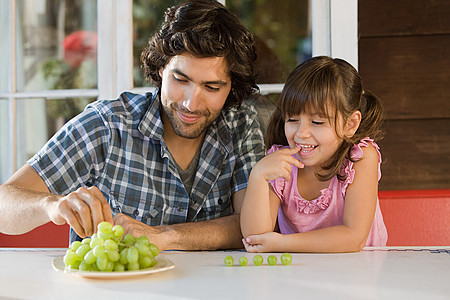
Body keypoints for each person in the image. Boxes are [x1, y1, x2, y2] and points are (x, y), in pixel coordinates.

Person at [0, 0, 265, 251]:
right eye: (180, 80)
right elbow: (4, 204)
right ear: (162, 68)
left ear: (231, 87)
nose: (190, 103)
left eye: (211, 87)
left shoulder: (241, 126)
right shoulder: (107, 125)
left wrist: (164, 236)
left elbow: (250, 227)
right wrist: (53, 205)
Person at [240, 56, 388, 253]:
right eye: (292, 119)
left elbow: (354, 237)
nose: (301, 133)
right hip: (300, 274)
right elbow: (255, 237)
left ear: (350, 124)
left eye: (317, 123)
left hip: (361, 271)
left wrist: (282, 243)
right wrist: (258, 176)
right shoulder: (281, 162)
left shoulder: (359, 157)